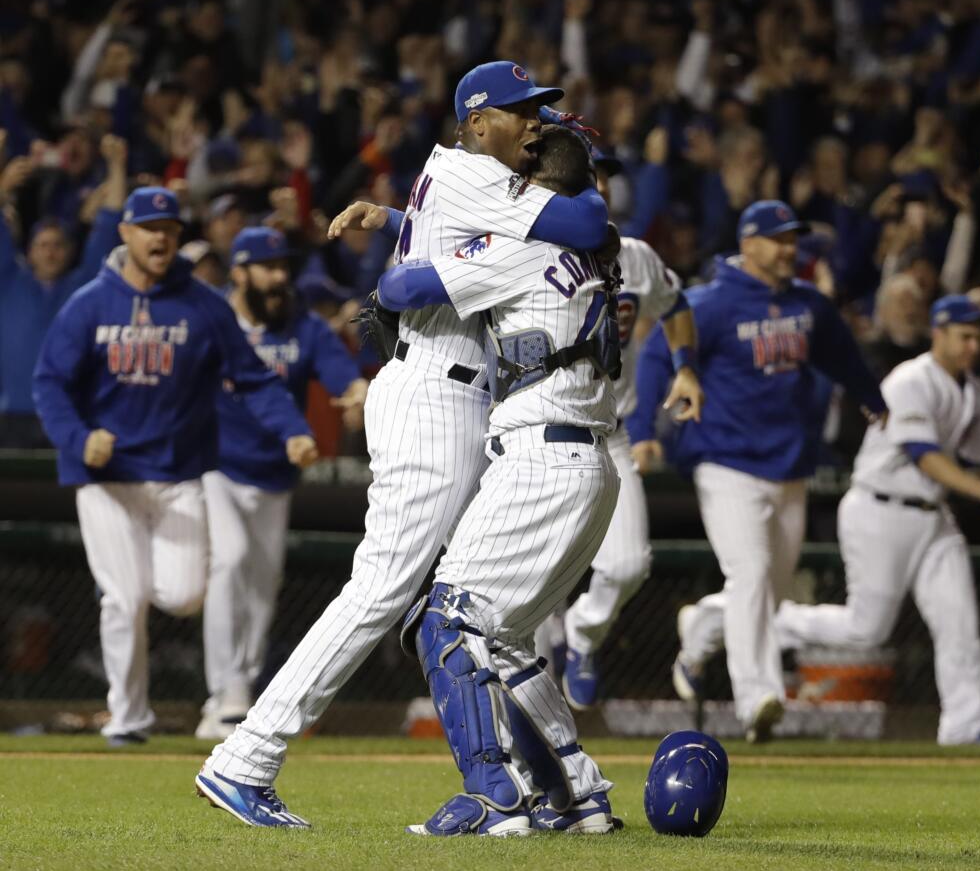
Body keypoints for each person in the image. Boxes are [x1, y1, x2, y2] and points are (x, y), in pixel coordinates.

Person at [194, 61, 612, 828]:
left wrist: (392, 222)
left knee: (488, 613)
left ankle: (564, 785)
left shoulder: (464, 176)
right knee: (387, 589)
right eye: (522, 111)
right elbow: (587, 226)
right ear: (478, 120)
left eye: (539, 111)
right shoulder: (472, 170)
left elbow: (456, 235)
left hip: (453, 394)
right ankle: (245, 756)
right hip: (435, 395)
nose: (535, 125)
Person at [385, 124, 622, 836]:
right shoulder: (596, 250)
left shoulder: (523, 243)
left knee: (446, 620)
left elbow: (402, 285)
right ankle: (578, 796)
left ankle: (495, 797)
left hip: (541, 457)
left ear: (527, 185)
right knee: (508, 638)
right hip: (590, 464)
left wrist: (419, 227)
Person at [31, 186, 316, 747]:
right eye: (149, 227)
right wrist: (76, 436)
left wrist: (293, 428)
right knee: (125, 597)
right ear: (126, 233)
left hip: (179, 473)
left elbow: (254, 377)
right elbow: (50, 383)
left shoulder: (204, 305)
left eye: (170, 228)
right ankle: (128, 718)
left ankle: (141, 693)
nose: (160, 237)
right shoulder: (90, 303)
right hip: (106, 480)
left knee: (184, 596)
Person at [629, 200, 888, 743]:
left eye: (793, 240)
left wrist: (872, 399)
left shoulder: (807, 305)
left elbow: (841, 355)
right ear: (748, 245)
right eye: (777, 240)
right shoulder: (712, 303)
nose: (789, 249)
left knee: (766, 590)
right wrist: (645, 432)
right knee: (750, 575)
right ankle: (757, 698)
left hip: (788, 464)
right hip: (726, 462)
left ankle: (704, 624)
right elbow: (657, 354)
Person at [774, 295, 980, 745]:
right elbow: (924, 456)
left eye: (978, 338)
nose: (973, 346)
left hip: (932, 517)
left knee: (959, 621)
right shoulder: (910, 380)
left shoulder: (969, 389)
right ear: (939, 333)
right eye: (964, 336)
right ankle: (767, 621)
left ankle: (967, 729)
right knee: (865, 630)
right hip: (881, 509)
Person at [196, 226, 368, 740]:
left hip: (274, 472)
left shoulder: (301, 324)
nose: (278, 277)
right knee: (228, 564)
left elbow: (342, 373)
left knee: (263, 585)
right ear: (240, 271)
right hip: (216, 465)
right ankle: (223, 693)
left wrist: (357, 393)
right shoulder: (213, 322)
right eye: (267, 267)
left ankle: (241, 687)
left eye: (283, 267)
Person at [555, 147, 704, 711]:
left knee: (628, 564)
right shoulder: (527, 251)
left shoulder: (635, 256)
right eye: (582, 174)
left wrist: (686, 365)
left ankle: (584, 636)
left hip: (607, 434)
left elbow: (676, 301)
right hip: (531, 432)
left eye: (600, 176)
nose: (596, 185)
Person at [0, 132, 127, 447]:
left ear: (70, 252)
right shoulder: (8, 281)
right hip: (11, 416)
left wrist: (117, 166)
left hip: (69, 417)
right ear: (28, 252)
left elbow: (110, 223)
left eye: (58, 245)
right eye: (42, 245)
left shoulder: (84, 285)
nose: (50, 251)